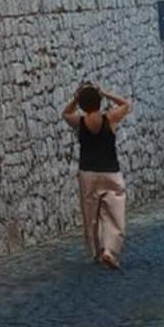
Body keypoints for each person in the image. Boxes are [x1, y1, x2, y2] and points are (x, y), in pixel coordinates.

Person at [61, 81, 131, 270]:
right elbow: (126, 104)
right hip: (111, 172)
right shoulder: (110, 119)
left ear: (82, 104)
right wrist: (105, 92)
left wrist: (76, 98)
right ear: (99, 102)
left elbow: (65, 114)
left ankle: (96, 251)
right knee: (114, 214)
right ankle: (110, 250)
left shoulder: (80, 122)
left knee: (91, 214)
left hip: (88, 173)